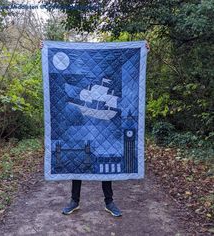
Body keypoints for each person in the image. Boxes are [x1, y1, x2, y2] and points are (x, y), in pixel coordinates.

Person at [40, 40, 150, 217]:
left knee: (105, 159)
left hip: (105, 128)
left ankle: (109, 201)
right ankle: (74, 200)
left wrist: (142, 49)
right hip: (84, 129)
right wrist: (46, 48)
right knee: (77, 162)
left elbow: (110, 105)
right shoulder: (87, 98)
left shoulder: (107, 99)